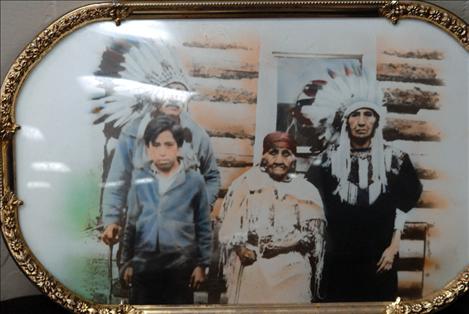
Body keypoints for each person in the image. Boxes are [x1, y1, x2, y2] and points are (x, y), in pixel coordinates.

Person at [304, 69, 423, 301]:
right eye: (354, 115)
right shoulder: (327, 161)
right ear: (345, 121)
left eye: (368, 114)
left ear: (377, 120)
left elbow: (404, 206)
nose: (361, 122)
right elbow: (312, 205)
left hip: (380, 257)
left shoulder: (396, 160)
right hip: (338, 258)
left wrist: (393, 248)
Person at [100, 82, 220, 246]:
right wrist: (112, 220)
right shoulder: (134, 133)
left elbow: (212, 176)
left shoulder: (197, 135)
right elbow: (117, 180)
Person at [218, 132, 326, 304]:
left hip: (293, 266)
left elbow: (314, 238)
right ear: (263, 156)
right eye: (273, 152)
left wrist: (283, 245)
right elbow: (230, 228)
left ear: (294, 158)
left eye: (286, 154)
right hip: (255, 265)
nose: (279, 160)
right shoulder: (246, 185)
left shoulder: (305, 190)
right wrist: (241, 250)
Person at [119, 115, 212, 304]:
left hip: (180, 266)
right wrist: (126, 263)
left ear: (178, 147)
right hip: (144, 266)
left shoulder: (194, 181)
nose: (162, 152)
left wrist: (202, 265)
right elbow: (131, 223)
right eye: (157, 145)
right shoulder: (140, 179)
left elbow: (203, 225)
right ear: (148, 148)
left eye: (168, 145)